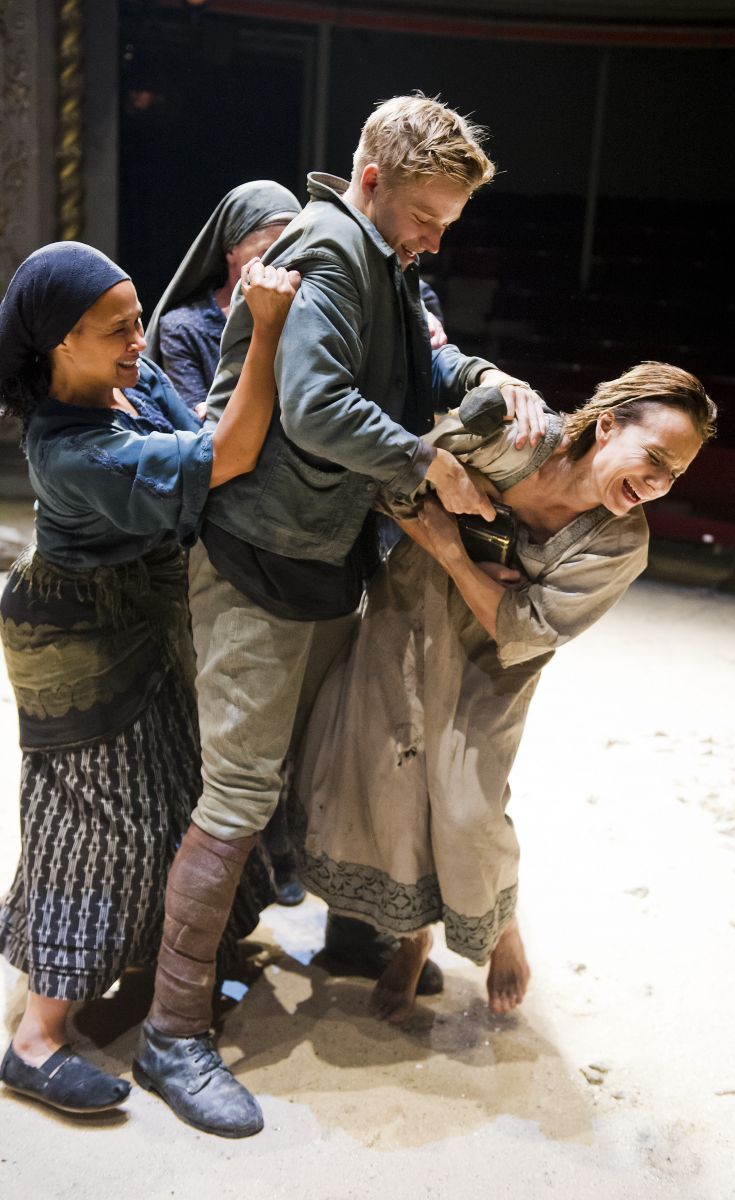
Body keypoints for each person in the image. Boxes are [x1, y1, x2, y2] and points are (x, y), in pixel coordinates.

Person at [133, 93, 548, 1139]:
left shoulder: (391, 264)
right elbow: (315, 403)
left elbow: (429, 359)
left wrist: (489, 379)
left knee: (308, 767)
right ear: (372, 182)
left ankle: (349, 931)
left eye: (449, 221)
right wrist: (427, 465)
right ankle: (173, 1031)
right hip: (258, 564)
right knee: (235, 792)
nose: (436, 236)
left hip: (321, 563)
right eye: (425, 215)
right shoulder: (328, 247)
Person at [294, 362, 717, 1023]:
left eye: (676, 474)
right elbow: (392, 479)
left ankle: (501, 924)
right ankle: (411, 942)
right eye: (655, 458)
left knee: (467, 807)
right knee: (395, 787)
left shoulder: (620, 545)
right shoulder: (511, 436)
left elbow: (524, 630)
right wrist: (440, 518)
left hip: (494, 661)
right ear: (607, 426)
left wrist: (453, 551)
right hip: (409, 613)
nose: (659, 485)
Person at [0, 241, 299, 1116]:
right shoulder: (71, 447)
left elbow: (201, 429)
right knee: (99, 818)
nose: (142, 339)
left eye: (138, 321)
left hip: (146, 616)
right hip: (80, 640)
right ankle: (35, 1037)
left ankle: (153, 958)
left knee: (172, 787)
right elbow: (227, 455)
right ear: (59, 343)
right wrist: (269, 329)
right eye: (117, 329)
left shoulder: (119, 384)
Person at [146, 180, 306, 906]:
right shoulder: (185, 329)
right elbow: (201, 436)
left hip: (283, 529)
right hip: (211, 530)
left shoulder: (307, 320)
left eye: (290, 245)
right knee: (224, 710)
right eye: (264, 246)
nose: (278, 260)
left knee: (284, 711)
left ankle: (282, 849)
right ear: (232, 251)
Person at [145, 179, 301, 415]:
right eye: (268, 252)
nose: (282, 265)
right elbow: (198, 422)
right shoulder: (185, 327)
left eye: (292, 252)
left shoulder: (308, 313)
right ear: (231, 251)